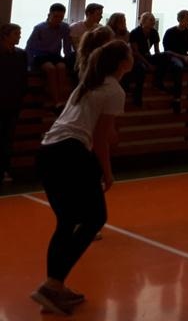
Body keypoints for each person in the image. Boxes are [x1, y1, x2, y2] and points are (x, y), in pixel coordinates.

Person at [31, 40, 132, 316]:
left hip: (48, 151)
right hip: (70, 152)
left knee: (67, 221)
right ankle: (52, 286)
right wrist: (108, 173)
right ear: (123, 62)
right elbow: (100, 140)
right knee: (94, 218)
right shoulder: (114, 90)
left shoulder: (88, 83)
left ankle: (54, 285)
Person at [25, 3, 74, 110]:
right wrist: (28, 64)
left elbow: (67, 45)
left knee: (62, 67)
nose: (58, 19)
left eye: (61, 17)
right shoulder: (39, 28)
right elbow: (30, 47)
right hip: (40, 56)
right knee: (51, 69)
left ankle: (60, 98)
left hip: (55, 56)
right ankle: (57, 101)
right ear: (49, 15)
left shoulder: (64, 27)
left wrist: (69, 59)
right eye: (55, 16)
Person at [0, 24, 28, 185]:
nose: (19, 36)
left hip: (13, 102)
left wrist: (20, 96)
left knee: (8, 138)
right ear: (5, 36)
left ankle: (4, 169)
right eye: (16, 34)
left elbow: (23, 78)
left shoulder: (21, 54)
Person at [127, 12, 167, 108]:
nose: (153, 22)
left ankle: (158, 81)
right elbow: (135, 52)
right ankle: (137, 96)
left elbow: (157, 50)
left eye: (154, 20)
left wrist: (158, 60)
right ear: (143, 21)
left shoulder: (154, 32)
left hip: (147, 56)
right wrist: (149, 65)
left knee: (166, 56)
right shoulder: (135, 33)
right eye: (151, 20)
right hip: (136, 58)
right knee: (141, 68)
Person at [68, 3, 104, 82]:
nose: (101, 17)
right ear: (88, 14)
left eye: (101, 14)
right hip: (79, 55)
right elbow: (76, 47)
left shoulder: (100, 28)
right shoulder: (75, 27)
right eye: (98, 14)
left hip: (94, 55)